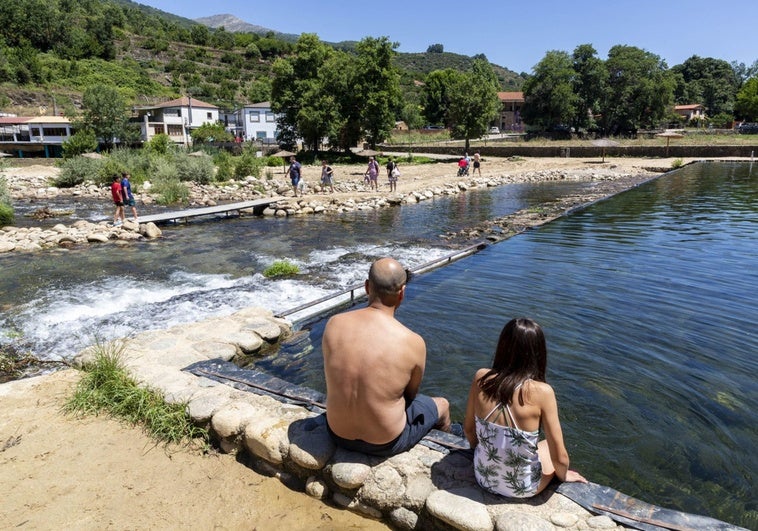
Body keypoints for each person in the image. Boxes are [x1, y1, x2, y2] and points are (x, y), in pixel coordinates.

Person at [322, 257, 451, 457]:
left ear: (366, 287)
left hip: (337, 433)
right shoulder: (413, 342)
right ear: (402, 293)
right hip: (385, 442)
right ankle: (450, 447)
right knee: (442, 405)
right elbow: (410, 396)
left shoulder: (333, 324)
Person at [463, 318, 587, 498]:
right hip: (523, 489)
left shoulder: (481, 378)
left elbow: (468, 430)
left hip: (483, 477)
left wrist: (482, 453)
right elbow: (560, 458)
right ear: (538, 353)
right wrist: (563, 476)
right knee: (545, 446)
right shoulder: (543, 392)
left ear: (502, 346)